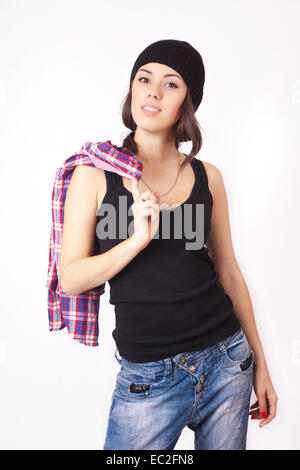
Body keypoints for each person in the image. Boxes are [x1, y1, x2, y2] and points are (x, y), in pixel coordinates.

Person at [59, 39, 278, 450]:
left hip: (228, 361)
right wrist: (136, 241)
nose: (153, 91)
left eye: (171, 83)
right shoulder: (94, 175)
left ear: (187, 103)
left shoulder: (207, 176)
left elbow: (228, 271)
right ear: (132, 90)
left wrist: (262, 367)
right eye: (144, 79)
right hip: (148, 378)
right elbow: (69, 278)